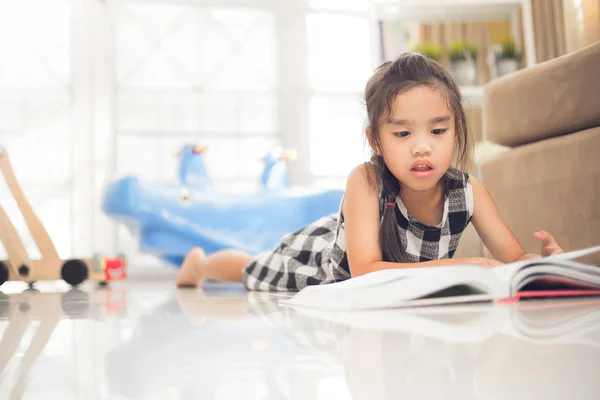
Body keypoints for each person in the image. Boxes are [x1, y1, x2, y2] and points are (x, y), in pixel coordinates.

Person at [176, 52, 564, 291]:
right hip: (322, 261)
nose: (422, 145)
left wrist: (542, 264)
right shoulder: (366, 180)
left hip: (371, 256)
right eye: (402, 132)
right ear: (376, 141)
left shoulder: (468, 192)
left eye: (438, 130)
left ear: (457, 131)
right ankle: (202, 265)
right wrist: (470, 265)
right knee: (255, 270)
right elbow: (364, 274)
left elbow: (512, 256)